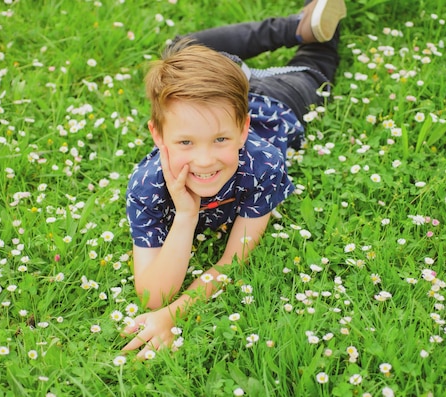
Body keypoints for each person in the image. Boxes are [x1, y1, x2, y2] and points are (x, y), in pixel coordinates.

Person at [122, 0, 346, 357]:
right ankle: (294, 26)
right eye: (185, 142)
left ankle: (313, 25)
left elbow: (233, 259)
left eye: (220, 140)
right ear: (158, 136)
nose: (205, 160)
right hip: (218, 96)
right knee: (177, 49)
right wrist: (185, 216)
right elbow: (153, 295)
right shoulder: (148, 185)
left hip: (277, 102)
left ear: (243, 131)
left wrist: (173, 314)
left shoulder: (262, 164)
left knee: (317, 66)